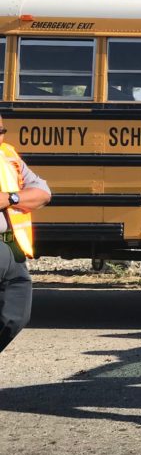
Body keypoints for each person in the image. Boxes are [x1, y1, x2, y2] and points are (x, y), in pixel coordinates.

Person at [0, 117, 52, 357]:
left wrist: (11, 198)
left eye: (1, 131)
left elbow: (42, 193)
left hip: (12, 248)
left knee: (16, 315)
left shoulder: (8, 157)